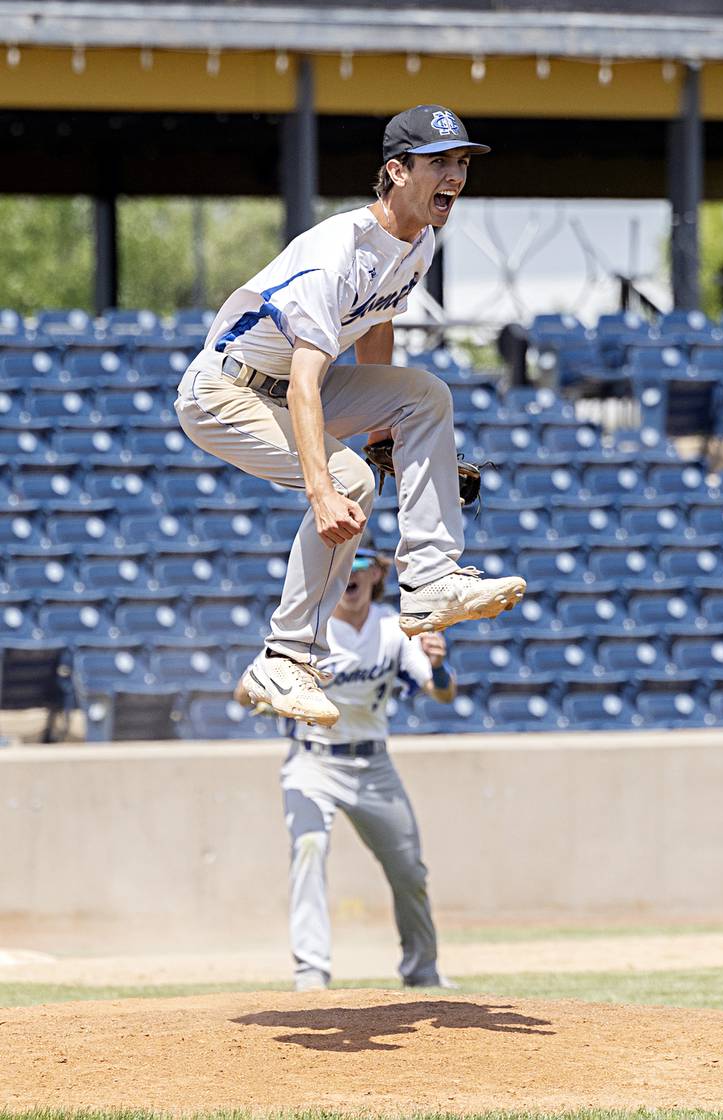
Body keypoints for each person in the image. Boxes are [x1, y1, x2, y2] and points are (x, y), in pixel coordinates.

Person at [175, 104, 525, 728]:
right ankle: (284, 657)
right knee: (350, 486)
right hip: (226, 391)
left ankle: (428, 580)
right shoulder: (336, 249)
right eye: (439, 162)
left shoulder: (418, 243)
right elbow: (308, 382)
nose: (456, 175)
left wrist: (382, 429)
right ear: (395, 171)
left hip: (287, 387)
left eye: (462, 162)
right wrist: (321, 490)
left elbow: (377, 322)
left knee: (425, 395)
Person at [235, 537, 458, 990]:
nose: (351, 571)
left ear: (377, 573)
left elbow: (442, 692)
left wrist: (438, 667)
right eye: (343, 561)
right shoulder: (303, 631)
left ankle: (423, 971)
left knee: (409, 870)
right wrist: (267, 692)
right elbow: (243, 692)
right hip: (312, 761)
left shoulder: (395, 629)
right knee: (310, 850)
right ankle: (310, 972)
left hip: (373, 765)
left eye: (360, 561)